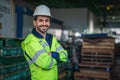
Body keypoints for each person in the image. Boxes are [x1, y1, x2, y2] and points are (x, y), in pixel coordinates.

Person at [21, 4, 68, 80]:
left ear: (49, 23)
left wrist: (53, 54)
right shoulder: (30, 41)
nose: (44, 23)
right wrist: (58, 58)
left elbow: (65, 55)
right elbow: (45, 63)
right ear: (34, 23)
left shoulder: (52, 39)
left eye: (46, 20)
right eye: (41, 20)